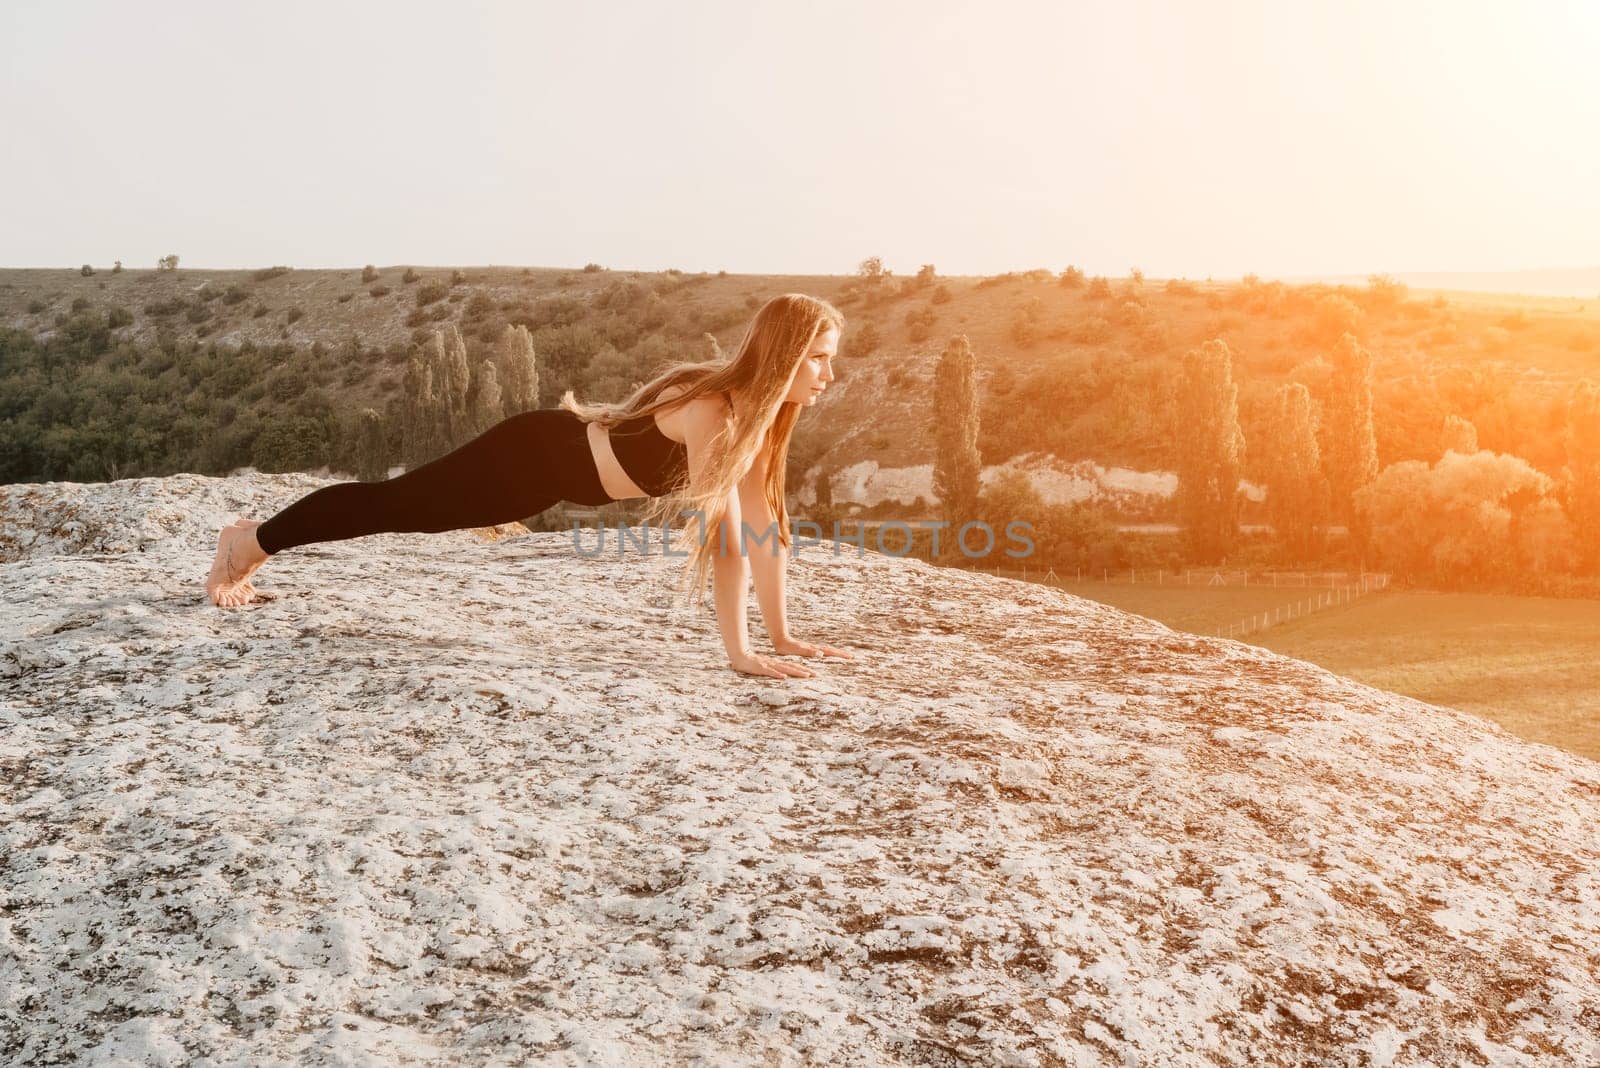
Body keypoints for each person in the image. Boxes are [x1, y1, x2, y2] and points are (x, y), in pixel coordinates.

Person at [204, 292, 855, 679]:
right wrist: (740, 654)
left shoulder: (761, 421)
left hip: (548, 485)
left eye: (831, 357)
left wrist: (783, 637)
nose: (829, 373)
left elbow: (766, 530)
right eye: (818, 357)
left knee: (410, 511)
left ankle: (253, 537)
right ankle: (248, 543)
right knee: (394, 506)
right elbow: (727, 540)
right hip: (535, 454)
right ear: (782, 357)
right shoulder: (716, 408)